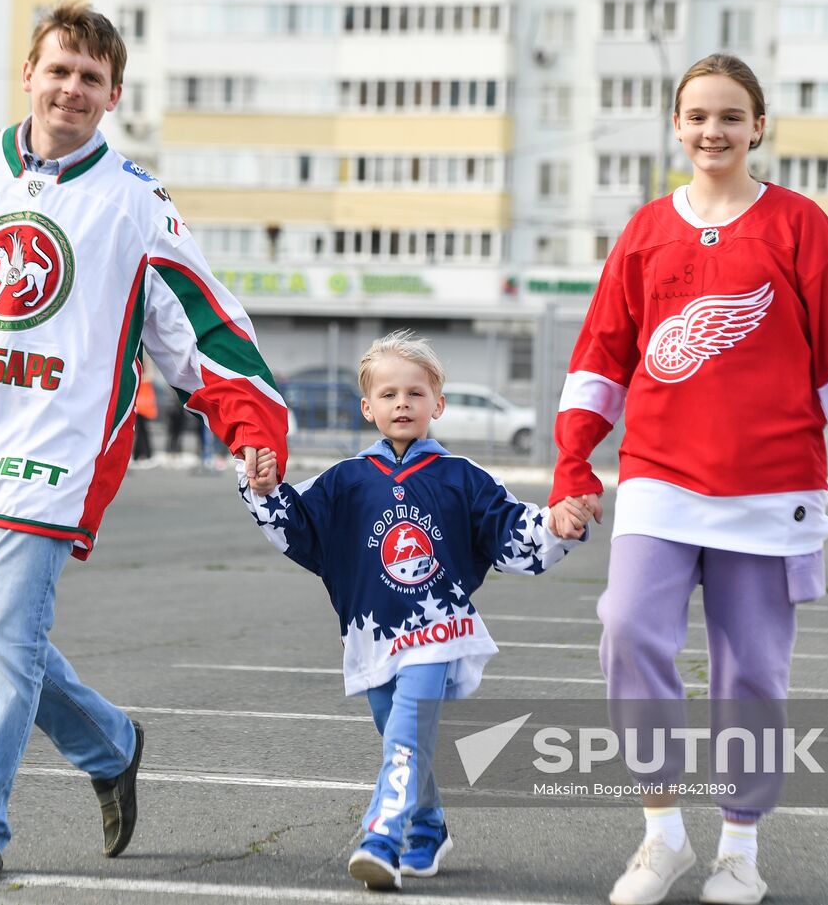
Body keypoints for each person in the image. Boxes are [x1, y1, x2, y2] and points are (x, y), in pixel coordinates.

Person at [0, 1, 289, 883]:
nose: (71, 88)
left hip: (59, 461)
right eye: (59, 69)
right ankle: (110, 743)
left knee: (10, 645)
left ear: (113, 95)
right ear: (29, 73)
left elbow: (203, 325)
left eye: (90, 78)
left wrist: (251, 422)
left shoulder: (135, 204)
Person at [547, 53, 828, 905]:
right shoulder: (643, 232)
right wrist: (572, 462)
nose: (713, 131)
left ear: (757, 126)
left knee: (750, 674)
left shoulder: (800, 226)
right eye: (698, 116)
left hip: (771, 486)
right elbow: (602, 356)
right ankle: (661, 834)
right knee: (627, 628)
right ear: (677, 125)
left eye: (730, 117)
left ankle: (739, 848)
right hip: (660, 480)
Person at [241, 331, 591, 891]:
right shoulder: (346, 481)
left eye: (414, 393)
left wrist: (556, 524)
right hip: (370, 634)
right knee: (399, 734)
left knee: (406, 734)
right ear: (367, 406)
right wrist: (264, 489)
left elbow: (511, 530)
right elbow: (297, 526)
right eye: (388, 394)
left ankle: (382, 836)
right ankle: (429, 826)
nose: (401, 403)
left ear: (438, 403)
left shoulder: (463, 478)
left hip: (438, 629)